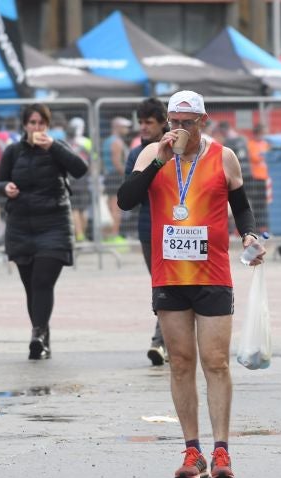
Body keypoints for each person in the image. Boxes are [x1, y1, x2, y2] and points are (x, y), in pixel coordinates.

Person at [116, 90, 264, 478]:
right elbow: (126, 201)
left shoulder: (223, 156)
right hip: (170, 276)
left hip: (212, 273)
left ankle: (221, 451)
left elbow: (242, 206)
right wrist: (159, 161)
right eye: (173, 122)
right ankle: (192, 449)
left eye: (186, 123)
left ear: (203, 122)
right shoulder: (151, 154)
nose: (178, 130)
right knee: (181, 363)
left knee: (215, 362)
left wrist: (249, 234)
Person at [0, 103, 89, 360]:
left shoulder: (57, 148)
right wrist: (5, 188)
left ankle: (37, 334)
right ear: (24, 125)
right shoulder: (13, 152)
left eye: (41, 123)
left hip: (53, 224)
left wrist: (53, 147)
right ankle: (42, 335)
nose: (37, 128)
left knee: (42, 281)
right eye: (32, 123)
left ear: (47, 126)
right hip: (21, 225)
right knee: (30, 287)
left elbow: (80, 170)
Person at [123, 98, 169, 366]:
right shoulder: (136, 154)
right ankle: (164, 340)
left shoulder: (177, 148)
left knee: (170, 287)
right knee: (160, 286)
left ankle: (160, 341)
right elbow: (131, 194)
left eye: (148, 122)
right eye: (140, 122)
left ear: (163, 123)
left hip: (176, 229)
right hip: (149, 228)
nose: (143, 127)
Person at [102, 116, 131, 242]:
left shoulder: (107, 141)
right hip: (116, 176)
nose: (127, 129)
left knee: (111, 207)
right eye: (124, 127)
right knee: (115, 208)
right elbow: (117, 162)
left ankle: (109, 235)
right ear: (117, 127)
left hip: (109, 175)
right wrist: (128, 175)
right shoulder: (117, 142)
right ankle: (114, 235)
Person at [66, 116, 93, 242]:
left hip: (71, 179)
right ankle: (84, 235)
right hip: (84, 179)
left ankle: (79, 236)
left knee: (74, 208)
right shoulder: (87, 142)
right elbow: (93, 160)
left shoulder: (66, 143)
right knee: (83, 209)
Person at [245, 123, 271, 233]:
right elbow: (255, 158)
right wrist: (264, 155)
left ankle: (265, 227)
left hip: (266, 177)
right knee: (257, 204)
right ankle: (256, 228)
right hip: (256, 178)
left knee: (265, 204)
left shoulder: (266, 144)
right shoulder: (251, 144)